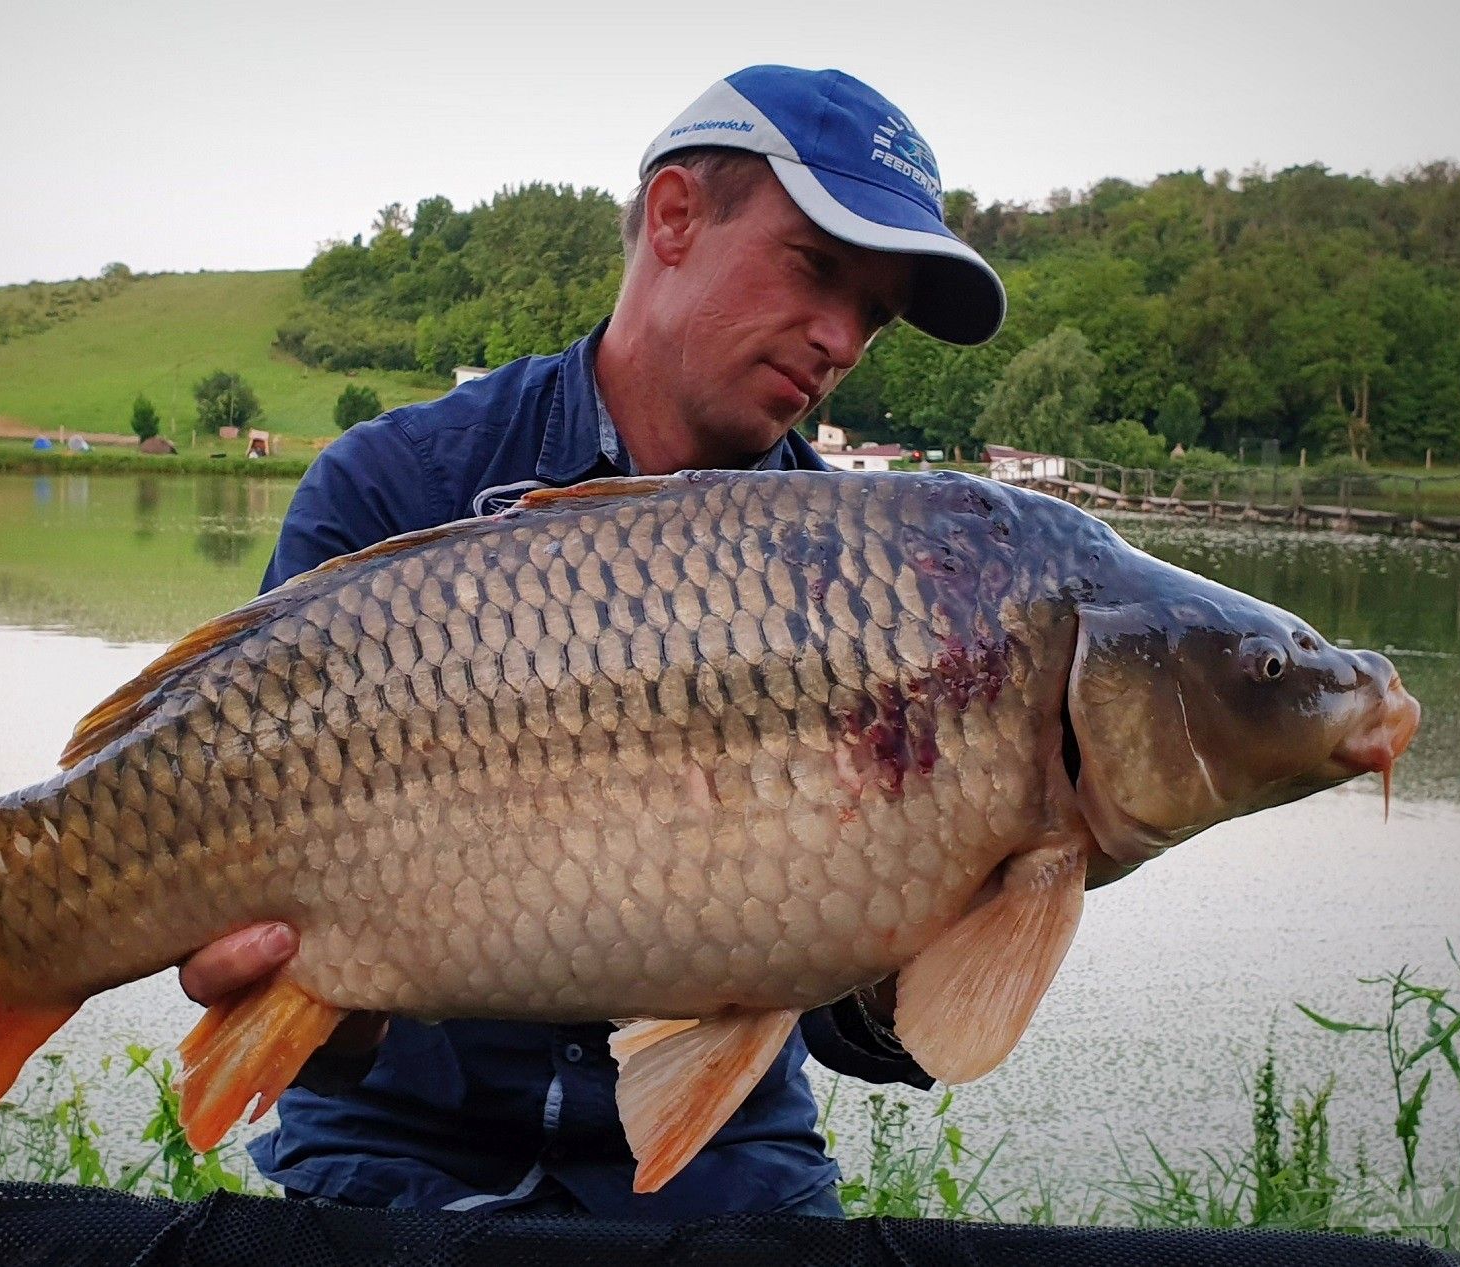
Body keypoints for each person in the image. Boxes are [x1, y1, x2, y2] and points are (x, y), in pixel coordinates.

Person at [178, 65, 1007, 1218]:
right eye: (819, 270)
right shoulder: (395, 485)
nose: (842, 341)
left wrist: (958, 909)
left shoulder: (883, 594)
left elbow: (856, 1033)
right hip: (405, 1139)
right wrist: (309, 1001)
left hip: (720, 1153)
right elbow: (305, 1023)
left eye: (872, 312)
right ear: (673, 217)